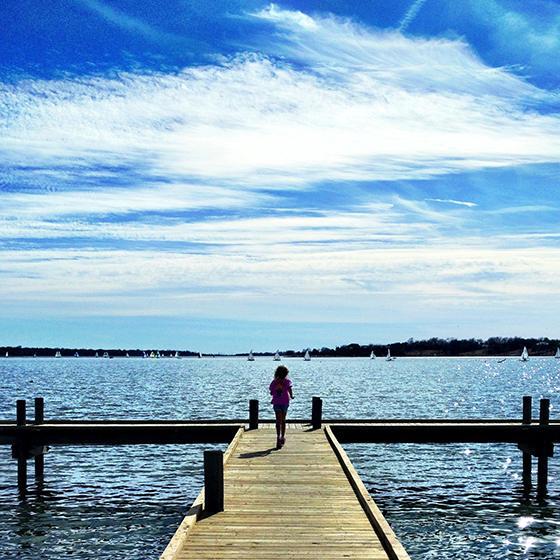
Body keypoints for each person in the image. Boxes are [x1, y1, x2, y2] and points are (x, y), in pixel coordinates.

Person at [269, 365, 294, 449]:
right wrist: (291, 396)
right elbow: (289, 389)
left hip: (276, 402)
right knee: (283, 420)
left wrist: (274, 393)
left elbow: (272, 392)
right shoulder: (287, 381)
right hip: (285, 402)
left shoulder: (274, 382)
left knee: (278, 420)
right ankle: (282, 437)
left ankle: (278, 436)